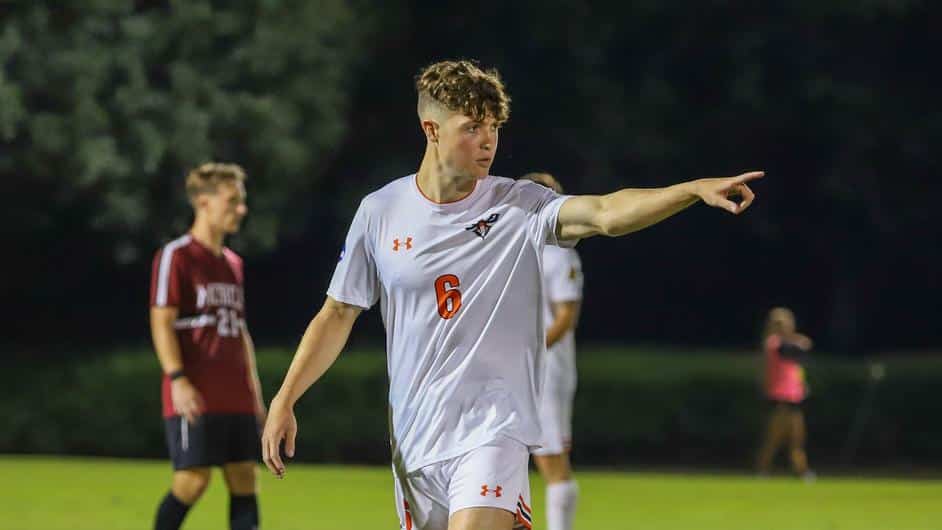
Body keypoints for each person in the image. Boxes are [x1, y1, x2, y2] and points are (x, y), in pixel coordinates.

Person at [261, 59, 763, 530]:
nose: (488, 142)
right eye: (472, 128)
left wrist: (691, 189)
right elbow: (338, 312)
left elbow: (607, 213)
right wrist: (285, 398)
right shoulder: (380, 211)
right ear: (431, 130)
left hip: (493, 430)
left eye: (494, 128)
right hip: (414, 442)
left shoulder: (518, 205)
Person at [150, 162, 266, 530]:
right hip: (196, 391)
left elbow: (240, 331)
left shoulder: (233, 264)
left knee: (245, 477)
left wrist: (256, 395)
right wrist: (178, 379)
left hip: (236, 395)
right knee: (193, 480)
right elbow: (162, 322)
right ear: (203, 202)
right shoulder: (177, 256)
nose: (241, 210)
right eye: (233, 201)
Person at [521, 172, 583, 530]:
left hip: (545, 370)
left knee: (551, 460)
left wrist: (524, 348)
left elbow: (564, 317)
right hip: (515, 368)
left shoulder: (559, 253)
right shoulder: (514, 247)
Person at [756, 306, 815, 480]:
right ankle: (762, 468)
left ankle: (801, 470)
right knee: (775, 437)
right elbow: (797, 348)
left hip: (794, 396)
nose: (782, 327)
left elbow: (805, 347)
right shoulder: (773, 343)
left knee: (797, 437)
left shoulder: (789, 343)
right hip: (780, 396)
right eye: (778, 324)